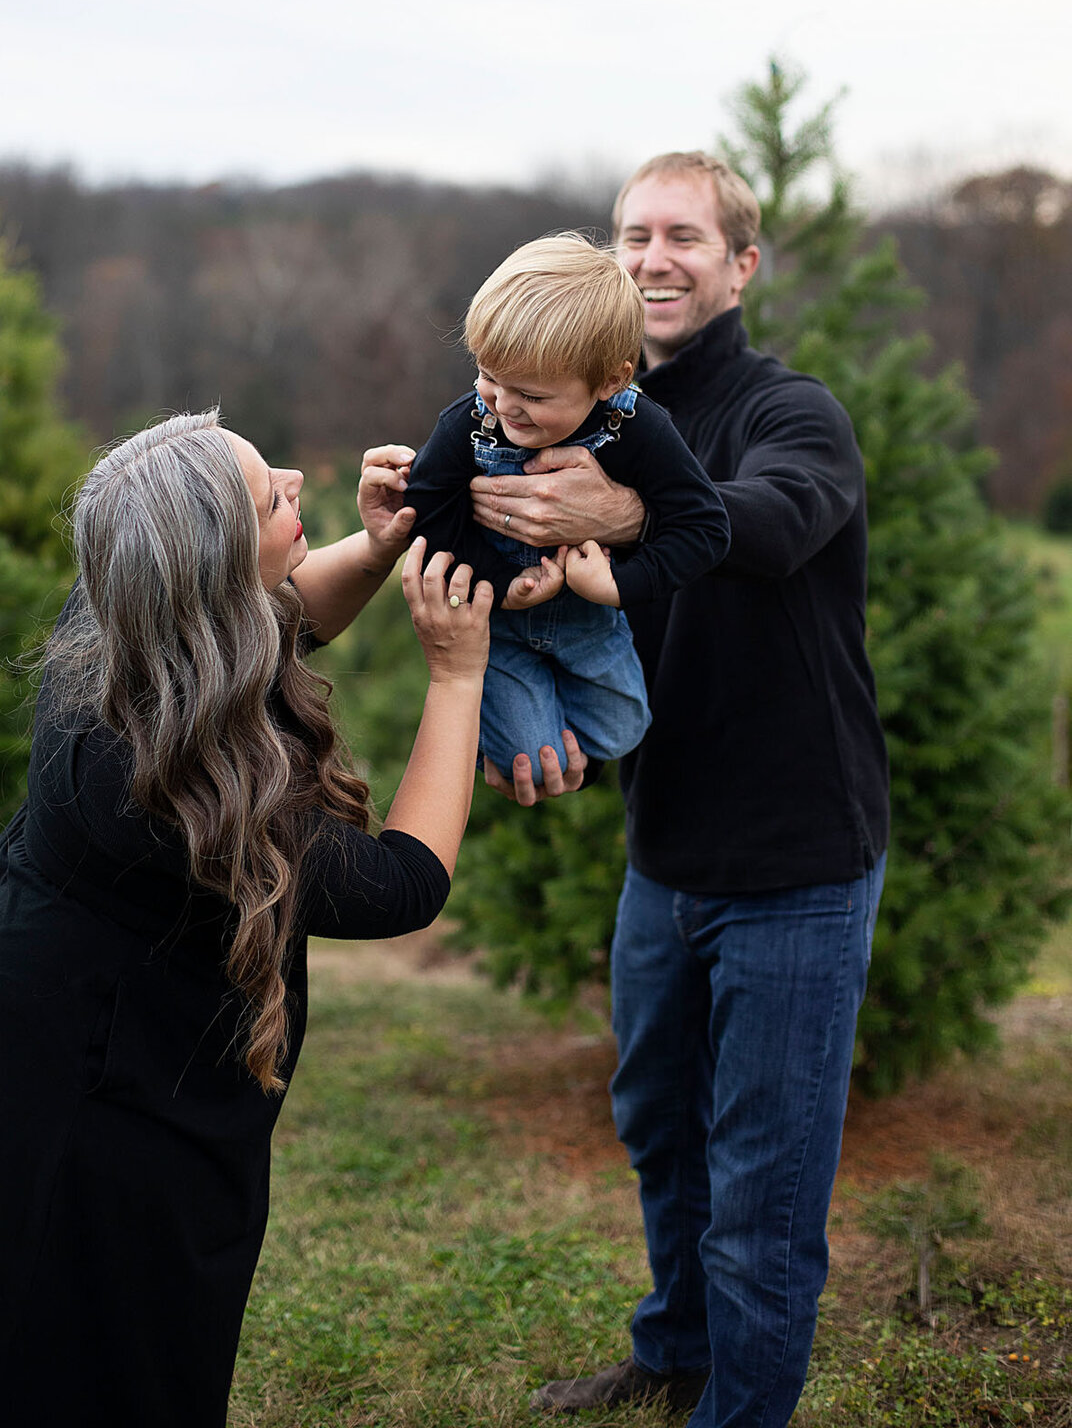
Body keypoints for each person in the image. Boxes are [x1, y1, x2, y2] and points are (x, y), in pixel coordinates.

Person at [0, 409, 491, 1428]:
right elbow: (405, 883)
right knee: (82, 1331)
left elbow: (283, 611)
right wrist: (458, 674)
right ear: (211, 569)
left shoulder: (131, 594)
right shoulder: (161, 787)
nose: (300, 482)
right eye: (272, 495)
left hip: (67, 976)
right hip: (71, 1049)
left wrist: (380, 544)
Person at [459, 153, 890, 1427]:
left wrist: (631, 514)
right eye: (634, 231)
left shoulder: (791, 411)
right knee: (658, 1124)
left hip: (800, 863)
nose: (653, 255)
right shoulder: (580, 415)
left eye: (685, 236)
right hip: (669, 850)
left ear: (740, 264)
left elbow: (772, 519)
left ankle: (740, 1412)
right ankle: (678, 1353)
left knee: (764, 1180)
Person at [400, 232, 730, 782]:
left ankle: (532, 718)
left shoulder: (641, 430)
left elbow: (704, 528)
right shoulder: (468, 424)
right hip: (498, 629)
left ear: (611, 381)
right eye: (487, 376)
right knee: (524, 759)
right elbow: (429, 514)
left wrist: (618, 585)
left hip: (590, 624)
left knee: (623, 732)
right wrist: (504, 582)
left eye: (530, 395)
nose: (503, 405)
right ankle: (496, 720)